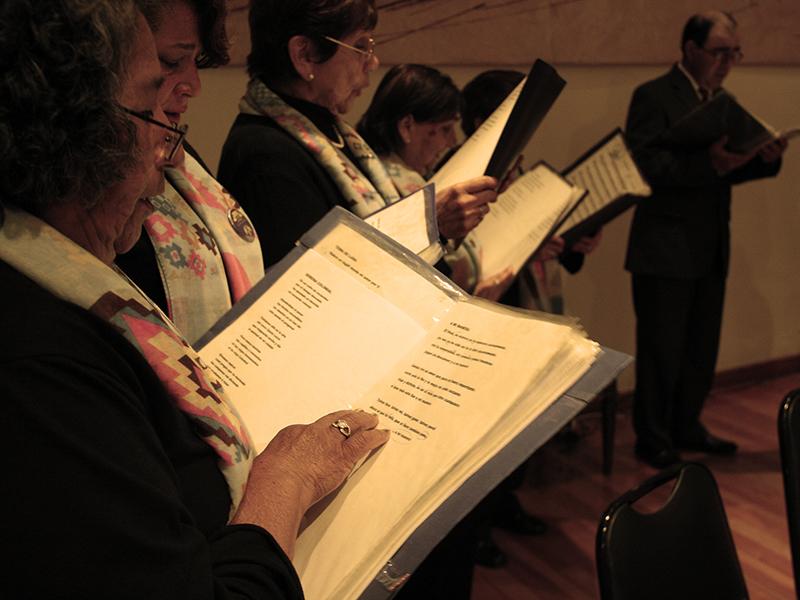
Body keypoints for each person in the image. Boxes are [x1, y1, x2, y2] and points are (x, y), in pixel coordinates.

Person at [0, 2, 388, 597]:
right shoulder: (42, 365)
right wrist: (284, 478)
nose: (166, 161)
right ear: (76, 126)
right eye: (151, 108)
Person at [217, 0, 498, 269]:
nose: (373, 62)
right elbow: (311, 287)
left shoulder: (332, 132)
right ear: (304, 55)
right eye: (360, 46)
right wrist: (428, 222)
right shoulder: (264, 154)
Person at [625, 10, 787, 468]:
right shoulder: (653, 96)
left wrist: (764, 158)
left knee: (700, 346)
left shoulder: (721, 101)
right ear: (691, 49)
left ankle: (687, 426)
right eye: (720, 53)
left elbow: (725, 170)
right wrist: (709, 165)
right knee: (661, 348)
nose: (727, 63)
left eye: (734, 53)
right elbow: (642, 167)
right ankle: (652, 438)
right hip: (663, 245)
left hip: (709, 242)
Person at [117, 0, 264, 345]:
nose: (194, 85)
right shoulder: (97, 173)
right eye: (171, 61)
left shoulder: (183, 155)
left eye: (194, 62)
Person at [356, 63, 514, 300]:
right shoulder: (378, 190)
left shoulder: (420, 178)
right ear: (407, 127)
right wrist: (476, 300)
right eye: (444, 129)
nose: (452, 141)